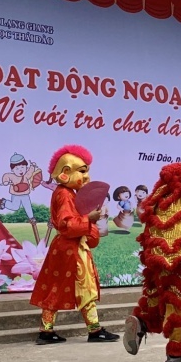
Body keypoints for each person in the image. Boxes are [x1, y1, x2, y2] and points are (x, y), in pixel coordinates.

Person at [30, 144, 119, 345]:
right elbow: (66, 225)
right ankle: (94, 330)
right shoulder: (64, 194)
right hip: (70, 249)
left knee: (56, 288)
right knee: (84, 286)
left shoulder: (68, 194)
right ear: (65, 173)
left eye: (86, 171)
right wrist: (89, 219)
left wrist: (90, 220)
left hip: (67, 248)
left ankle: (46, 331)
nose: (86, 177)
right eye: (82, 171)